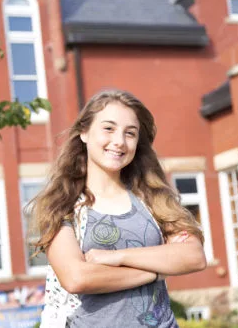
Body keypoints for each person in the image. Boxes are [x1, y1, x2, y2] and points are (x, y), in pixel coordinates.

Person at [31, 90, 206, 327]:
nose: (119, 141)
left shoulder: (152, 199)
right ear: (84, 132)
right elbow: (77, 278)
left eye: (130, 133)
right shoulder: (62, 205)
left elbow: (193, 257)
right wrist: (155, 271)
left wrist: (114, 257)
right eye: (109, 129)